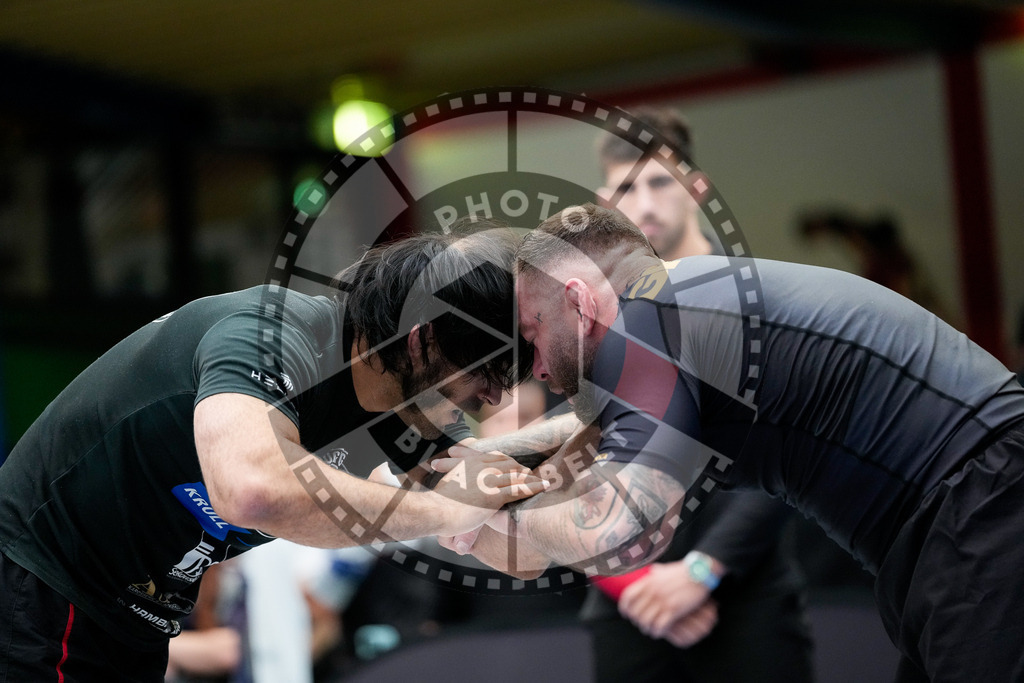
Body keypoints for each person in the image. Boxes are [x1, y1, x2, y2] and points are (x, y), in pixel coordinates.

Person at [437, 203, 1024, 682]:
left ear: (580, 303)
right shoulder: (675, 310)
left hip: (984, 503)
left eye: (533, 331)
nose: (534, 368)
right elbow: (584, 430)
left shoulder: (648, 323)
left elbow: (616, 525)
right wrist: (493, 460)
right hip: (957, 516)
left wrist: (495, 504)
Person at [0, 226, 547, 682]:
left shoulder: (408, 403)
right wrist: (447, 509)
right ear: (421, 340)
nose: (495, 398)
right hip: (34, 582)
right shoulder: (272, 333)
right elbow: (252, 493)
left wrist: (574, 478)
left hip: (129, 622)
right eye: (489, 372)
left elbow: (516, 554)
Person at [577, 106, 813, 682]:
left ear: (696, 187)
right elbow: (578, 466)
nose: (646, 204)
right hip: (627, 609)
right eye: (628, 188)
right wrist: (637, 586)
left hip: (746, 591)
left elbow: (790, 448)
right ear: (607, 201)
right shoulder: (592, 315)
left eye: (661, 181)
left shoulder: (758, 296)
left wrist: (701, 573)